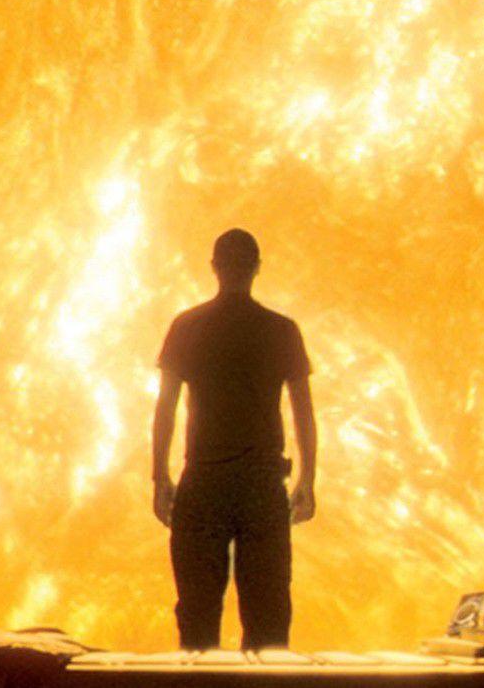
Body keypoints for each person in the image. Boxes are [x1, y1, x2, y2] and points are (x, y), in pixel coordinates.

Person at [151, 228, 318, 652]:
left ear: (215, 267)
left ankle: (199, 682)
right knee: (268, 626)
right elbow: (303, 412)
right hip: (261, 487)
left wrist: (160, 477)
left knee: (197, 623)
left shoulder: (187, 327)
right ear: (257, 268)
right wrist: (307, 479)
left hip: (204, 483)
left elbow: (166, 408)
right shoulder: (281, 330)